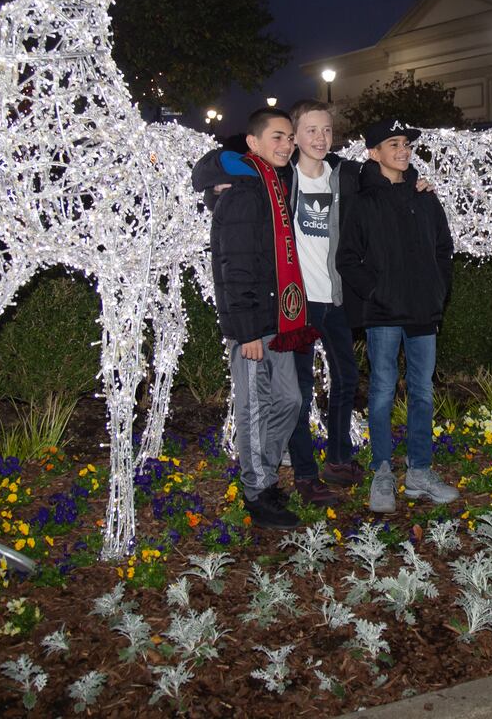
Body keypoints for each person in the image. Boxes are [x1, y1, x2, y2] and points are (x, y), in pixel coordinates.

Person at [191, 107, 319, 529]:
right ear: (253, 143)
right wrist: (245, 331)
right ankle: (257, 491)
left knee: (290, 399)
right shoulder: (246, 191)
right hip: (253, 324)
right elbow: (234, 265)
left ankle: (260, 472)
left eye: (288, 138)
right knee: (254, 408)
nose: (286, 145)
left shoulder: (271, 184)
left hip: (279, 318)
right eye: (277, 137)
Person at [336, 119, 459, 513]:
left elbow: (443, 248)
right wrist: (377, 292)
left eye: (406, 143)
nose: (404, 150)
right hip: (384, 314)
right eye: (394, 144)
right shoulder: (362, 201)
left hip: (423, 312)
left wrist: (437, 289)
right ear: (374, 152)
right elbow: (347, 259)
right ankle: (383, 472)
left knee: (422, 391)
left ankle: (419, 472)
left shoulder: (425, 196)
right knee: (382, 392)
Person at [284, 99, 363, 502]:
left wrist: (416, 178)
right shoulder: (281, 177)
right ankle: (304, 475)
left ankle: (337, 459)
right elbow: (218, 166)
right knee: (299, 391)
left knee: (346, 378)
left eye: (327, 130)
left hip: (334, 299)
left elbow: (388, 174)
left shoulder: (345, 175)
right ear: (295, 134)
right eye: (312, 130)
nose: (321, 138)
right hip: (297, 304)